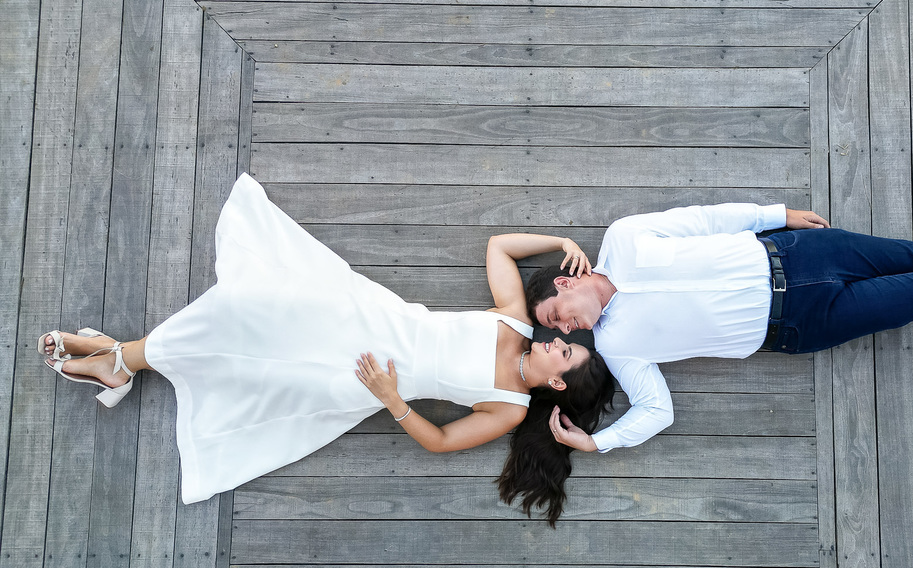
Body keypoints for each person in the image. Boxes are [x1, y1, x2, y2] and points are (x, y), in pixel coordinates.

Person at [40, 174, 614, 526]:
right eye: (567, 339)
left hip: (367, 375)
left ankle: (118, 361)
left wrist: (391, 399)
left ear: (557, 383)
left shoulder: (510, 406)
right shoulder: (513, 321)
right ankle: (120, 360)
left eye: (565, 354)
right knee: (247, 303)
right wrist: (561, 241)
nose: (559, 340)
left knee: (254, 372)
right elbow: (500, 247)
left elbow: (440, 441)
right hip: (367, 316)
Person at [518, 202, 913, 454]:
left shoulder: (626, 238)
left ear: (567, 281)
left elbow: (710, 220)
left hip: (801, 255)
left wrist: (779, 213)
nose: (568, 330)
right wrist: (602, 443)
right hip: (802, 322)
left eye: (556, 315)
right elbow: (656, 410)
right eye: (560, 332)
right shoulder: (618, 344)